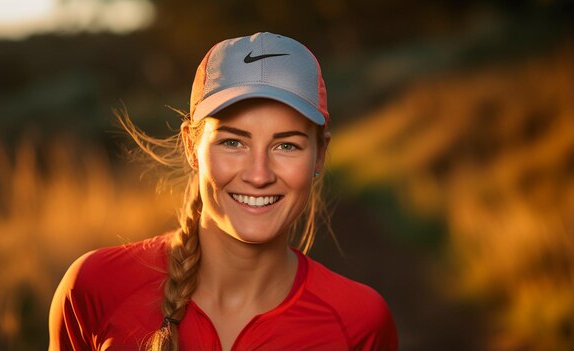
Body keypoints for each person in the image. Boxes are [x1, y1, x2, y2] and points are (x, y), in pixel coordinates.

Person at [49, 32, 398, 351]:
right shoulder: (96, 287)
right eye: (233, 142)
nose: (259, 175)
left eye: (286, 146)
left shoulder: (358, 323)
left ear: (319, 154)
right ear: (191, 146)